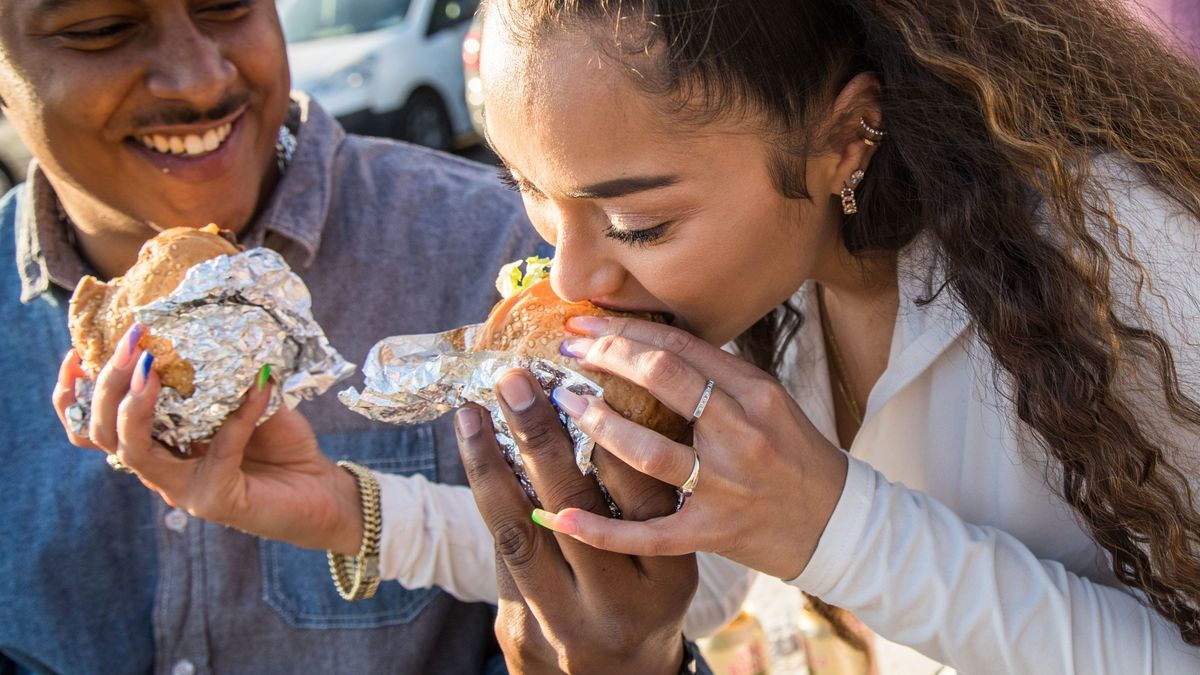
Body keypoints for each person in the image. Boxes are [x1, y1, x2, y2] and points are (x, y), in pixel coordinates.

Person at [452, 0, 1198, 672]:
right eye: (529, 188)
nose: (568, 279)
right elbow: (702, 587)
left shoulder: (1126, 254)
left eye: (637, 226)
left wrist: (839, 529)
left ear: (847, 136)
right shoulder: (769, 292)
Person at [14, 2, 750, 672]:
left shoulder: (525, 265)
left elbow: (693, 591)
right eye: (101, 29)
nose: (201, 77)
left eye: (226, 6)